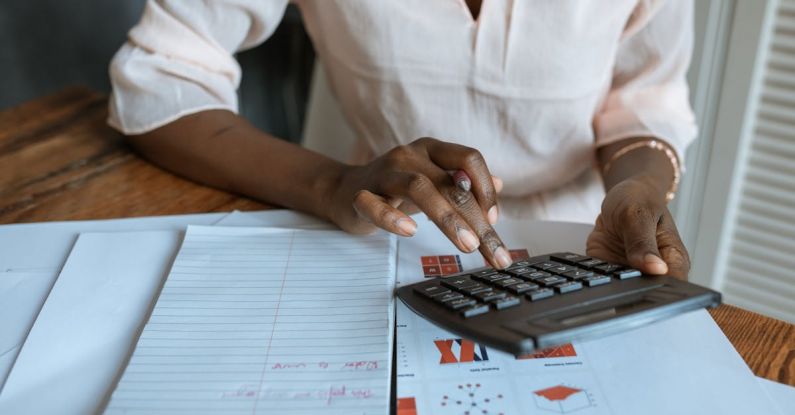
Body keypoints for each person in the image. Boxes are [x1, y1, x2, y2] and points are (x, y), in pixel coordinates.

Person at [109, 0, 694, 278]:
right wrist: (332, 183)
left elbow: (645, 99)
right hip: (380, 233)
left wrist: (639, 185)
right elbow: (159, 77)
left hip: (588, 250)